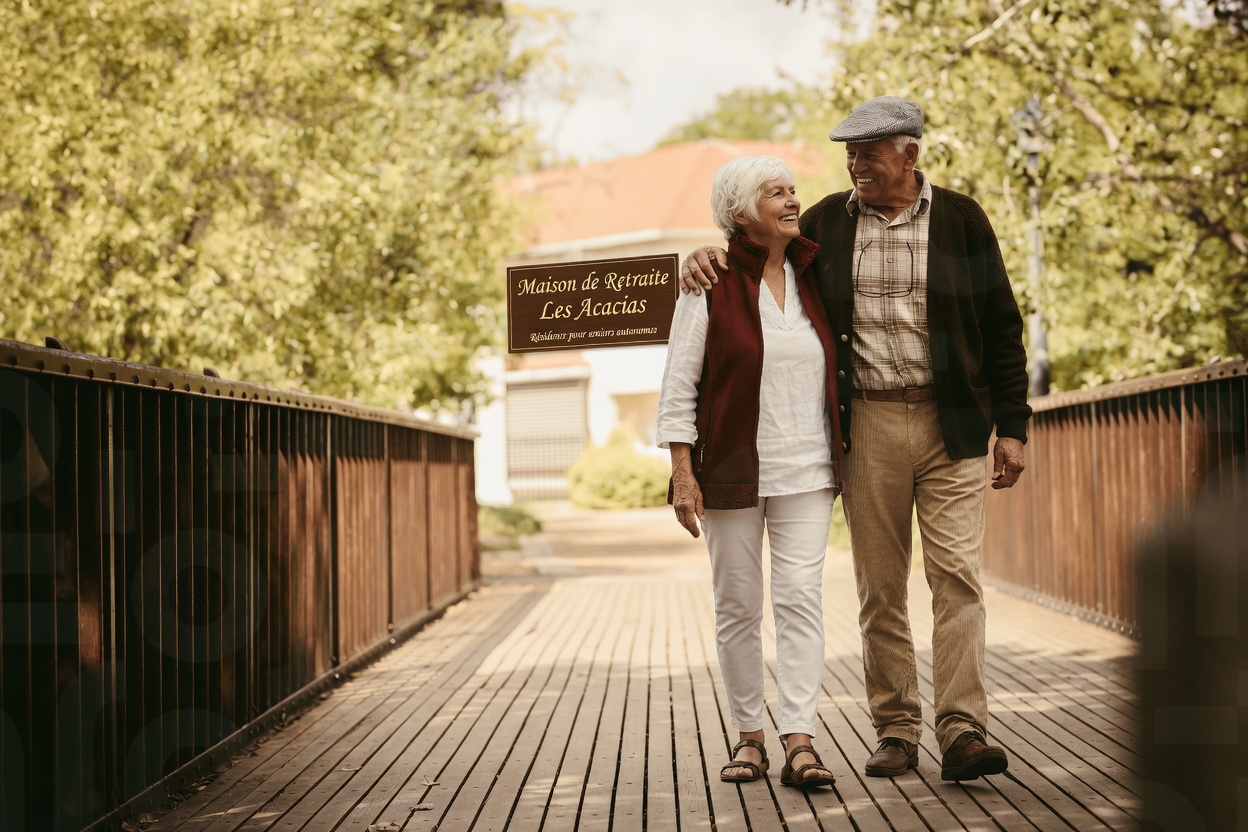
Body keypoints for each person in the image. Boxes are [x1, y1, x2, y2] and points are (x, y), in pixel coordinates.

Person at [681, 97, 1031, 782]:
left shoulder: (962, 219)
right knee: (880, 587)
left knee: (957, 577)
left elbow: (1002, 325)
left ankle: (962, 729)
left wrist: (1012, 427)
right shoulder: (824, 225)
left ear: (910, 155)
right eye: (850, 153)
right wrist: (702, 255)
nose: (856, 165)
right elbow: (752, 254)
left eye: (870, 153)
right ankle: (896, 729)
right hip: (867, 423)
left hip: (955, 423)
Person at [657, 155, 845, 789]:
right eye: (775, 193)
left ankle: (800, 739)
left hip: (808, 467)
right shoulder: (709, 281)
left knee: (801, 601)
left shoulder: (814, 273)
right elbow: (679, 386)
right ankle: (749, 737)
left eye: (793, 189)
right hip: (730, 470)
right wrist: (683, 474)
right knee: (738, 605)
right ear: (740, 214)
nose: (792, 200)